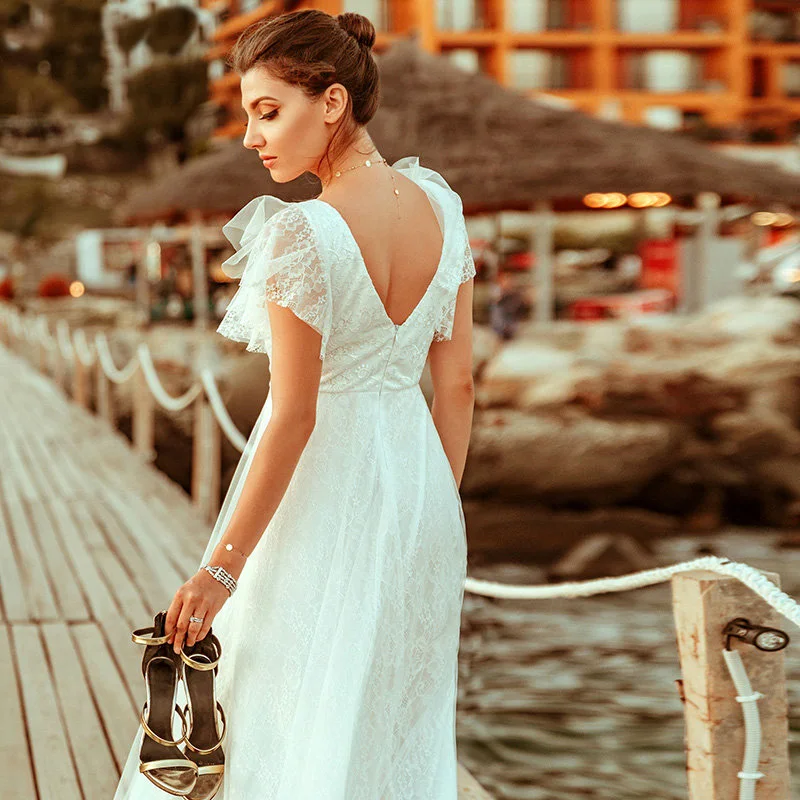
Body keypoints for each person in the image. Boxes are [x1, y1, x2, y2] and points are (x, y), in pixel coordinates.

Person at [112, 8, 475, 800]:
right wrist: (432, 503)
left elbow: (294, 415)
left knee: (276, 699)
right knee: (389, 719)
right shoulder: (442, 212)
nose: (251, 135)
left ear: (334, 103)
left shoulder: (301, 234)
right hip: (417, 491)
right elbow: (457, 385)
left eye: (268, 111)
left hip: (322, 491)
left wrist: (217, 572)